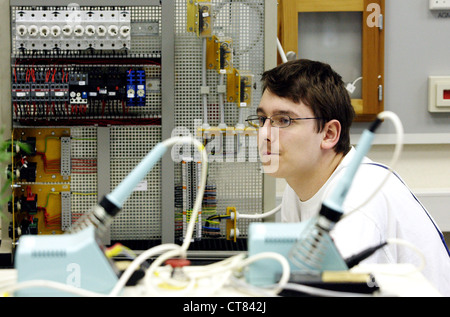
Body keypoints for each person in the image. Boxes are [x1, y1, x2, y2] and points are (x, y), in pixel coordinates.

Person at [246, 59, 450, 296]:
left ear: (329, 133)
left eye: (284, 121)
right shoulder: (298, 185)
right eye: (262, 120)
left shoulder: (358, 198)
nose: (264, 135)